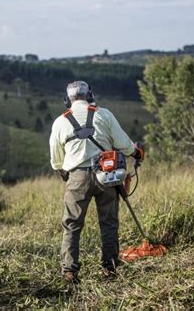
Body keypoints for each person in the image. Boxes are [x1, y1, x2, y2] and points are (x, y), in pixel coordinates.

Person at [49, 81, 143, 283]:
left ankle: (70, 272)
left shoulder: (60, 122)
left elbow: (56, 160)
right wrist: (136, 152)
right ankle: (110, 269)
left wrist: (64, 172)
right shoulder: (104, 114)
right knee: (109, 224)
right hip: (107, 176)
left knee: (72, 224)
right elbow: (123, 144)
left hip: (77, 178)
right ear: (90, 95)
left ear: (67, 100)